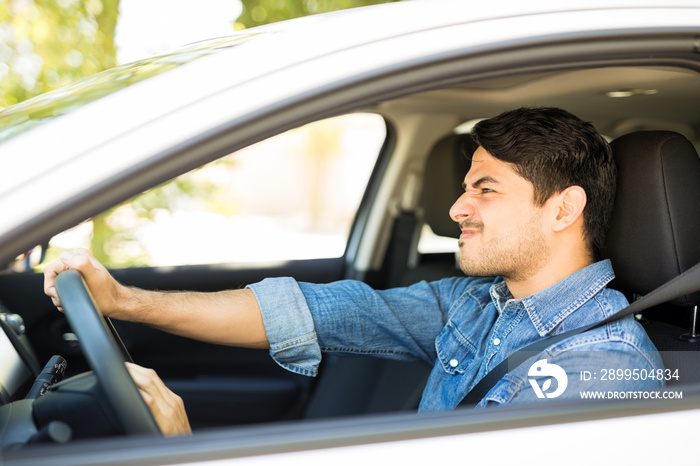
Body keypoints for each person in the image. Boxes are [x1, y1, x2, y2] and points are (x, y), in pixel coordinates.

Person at [44, 107, 663, 436]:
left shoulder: (602, 368)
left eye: (486, 189)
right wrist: (125, 300)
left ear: (564, 208)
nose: (455, 208)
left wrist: (183, 455)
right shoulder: (478, 301)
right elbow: (322, 311)